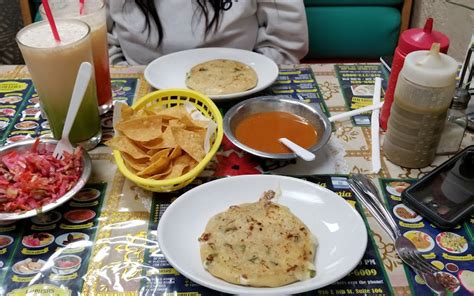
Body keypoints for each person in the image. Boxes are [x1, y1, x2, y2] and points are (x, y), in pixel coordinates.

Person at [106, 0, 309, 65]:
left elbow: (286, 43)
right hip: (141, 97)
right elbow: (97, 41)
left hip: (244, 91)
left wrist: (246, 79)